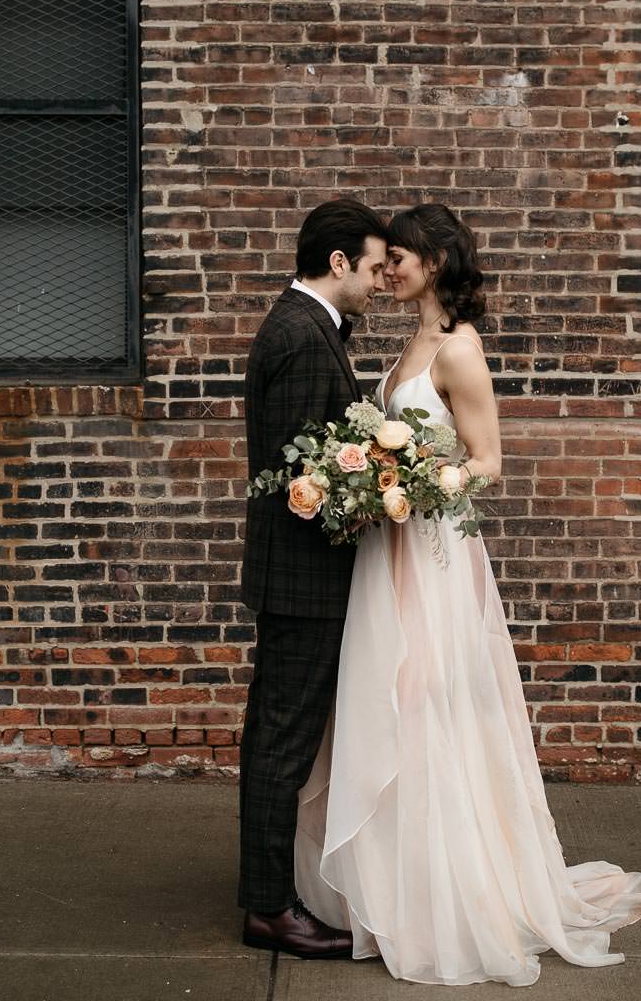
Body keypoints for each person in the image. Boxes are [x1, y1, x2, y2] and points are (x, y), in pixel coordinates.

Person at [292, 202, 641, 987]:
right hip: (390, 548)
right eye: (384, 260)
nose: (388, 269)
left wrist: (416, 480)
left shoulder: (461, 351)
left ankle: (450, 893)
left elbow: (489, 460)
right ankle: (389, 886)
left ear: (433, 262)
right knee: (384, 703)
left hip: (432, 556)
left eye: (399, 257)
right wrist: (371, 477)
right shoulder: (413, 340)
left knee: (428, 704)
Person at [237, 198, 390, 959]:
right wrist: (373, 501)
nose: (376, 283)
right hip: (303, 582)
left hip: (299, 581)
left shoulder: (308, 329)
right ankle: (268, 908)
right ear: (337, 263)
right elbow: (301, 474)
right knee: (281, 744)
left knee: (276, 737)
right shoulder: (301, 337)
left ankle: (267, 894)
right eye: (369, 268)